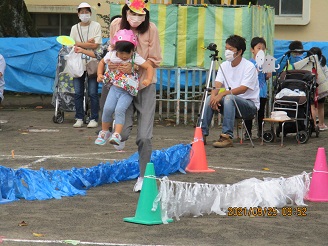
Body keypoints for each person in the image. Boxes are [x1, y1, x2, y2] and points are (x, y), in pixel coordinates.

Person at [109, 0, 162, 191]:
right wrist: (113, 65)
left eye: (141, 14)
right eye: (132, 13)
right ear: (125, 12)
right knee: (121, 133)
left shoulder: (152, 29)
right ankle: (118, 132)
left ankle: (143, 176)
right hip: (123, 84)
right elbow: (111, 52)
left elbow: (156, 60)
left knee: (145, 137)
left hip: (145, 84)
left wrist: (136, 65)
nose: (136, 18)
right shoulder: (116, 25)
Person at [94, 29, 154, 146]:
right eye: (122, 53)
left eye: (128, 53)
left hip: (127, 91)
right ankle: (104, 131)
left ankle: (116, 134)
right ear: (116, 49)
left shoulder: (134, 57)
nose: (124, 56)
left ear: (133, 50)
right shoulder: (111, 55)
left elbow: (149, 67)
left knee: (119, 110)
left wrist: (148, 79)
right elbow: (101, 62)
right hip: (114, 88)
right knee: (107, 109)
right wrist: (99, 74)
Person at [201, 35, 259, 148]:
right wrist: (213, 96)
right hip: (230, 104)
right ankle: (201, 135)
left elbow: (243, 88)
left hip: (248, 106)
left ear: (239, 51)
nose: (227, 51)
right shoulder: (224, 65)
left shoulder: (249, 67)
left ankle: (226, 136)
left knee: (229, 97)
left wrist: (221, 94)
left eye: (231, 49)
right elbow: (217, 84)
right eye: (226, 48)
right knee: (209, 98)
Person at [70, 2, 102, 128]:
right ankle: (79, 117)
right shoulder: (74, 28)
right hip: (77, 64)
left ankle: (94, 118)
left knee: (93, 92)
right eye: (82, 12)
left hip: (93, 63)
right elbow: (71, 44)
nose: (84, 14)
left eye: (86, 12)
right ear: (78, 14)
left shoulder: (96, 26)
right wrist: (87, 43)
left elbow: (96, 45)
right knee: (78, 92)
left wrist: (79, 44)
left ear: (90, 13)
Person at [244, 37, 272, 139]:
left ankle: (260, 131)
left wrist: (268, 72)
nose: (261, 51)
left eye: (263, 49)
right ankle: (248, 132)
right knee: (248, 113)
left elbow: (268, 77)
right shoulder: (249, 63)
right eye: (258, 48)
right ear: (252, 50)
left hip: (262, 92)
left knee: (261, 113)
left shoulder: (268, 61)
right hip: (251, 92)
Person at [308, 47, 328, 131]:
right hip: (321, 89)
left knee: (312, 107)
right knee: (320, 106)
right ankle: (321, 124)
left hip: (311, 89)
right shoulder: (323, 65)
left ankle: (313, 125)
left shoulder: (307, 65)